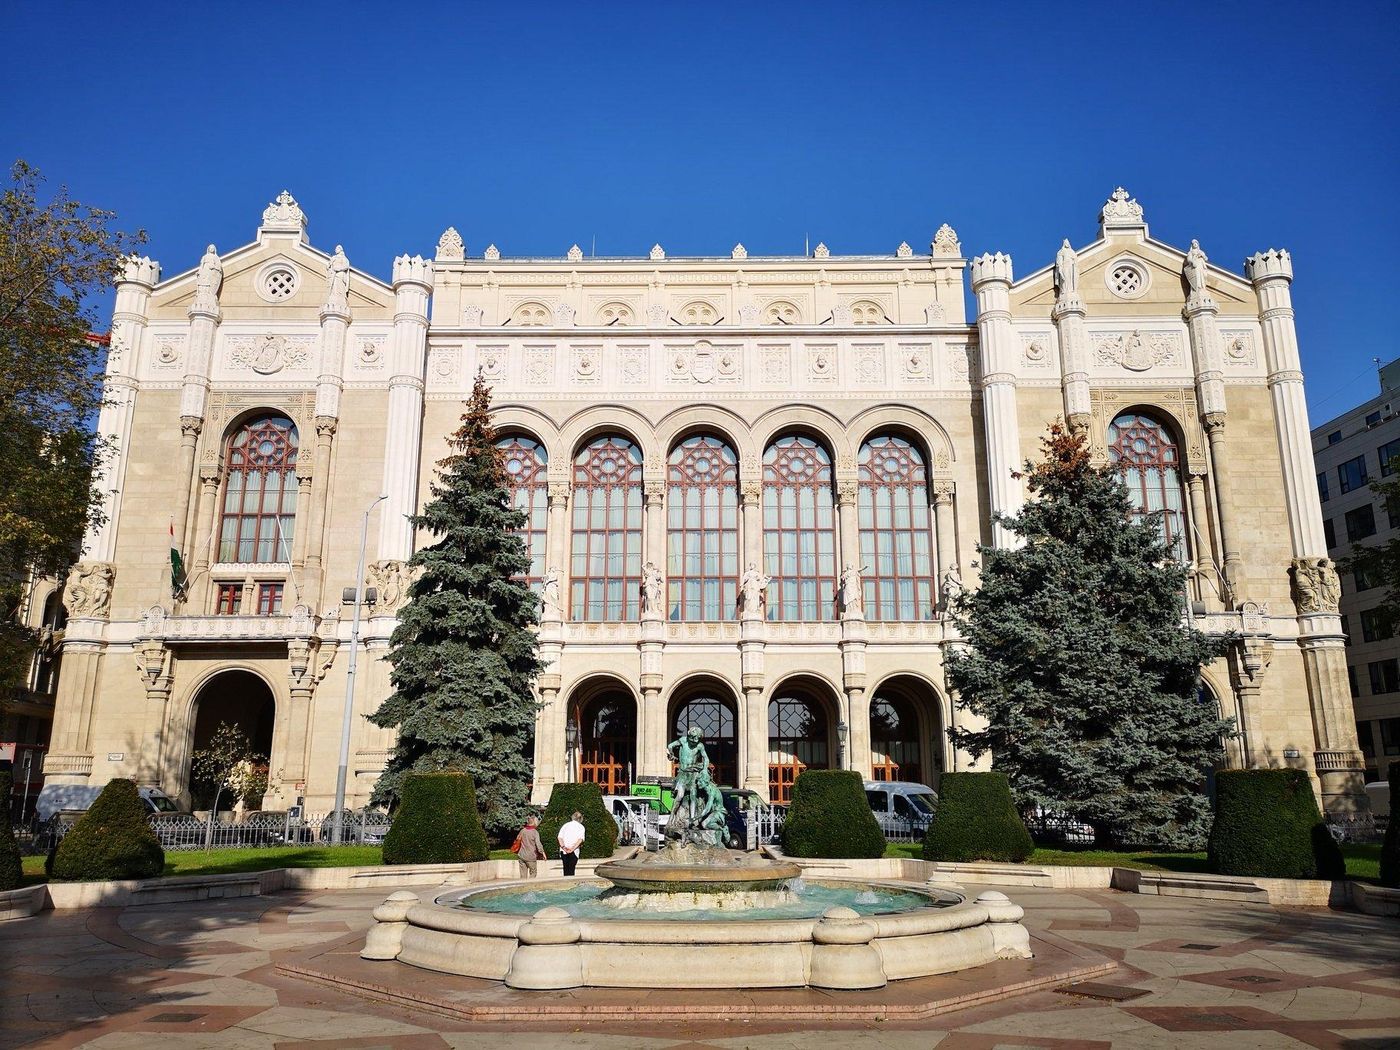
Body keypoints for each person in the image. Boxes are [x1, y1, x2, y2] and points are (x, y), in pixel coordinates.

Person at [557, 810, 585, 876]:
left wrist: (564, 847)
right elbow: (580, 840)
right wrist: (572, 849)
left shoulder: (565, 825)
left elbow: (559, 837)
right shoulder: (581, 827)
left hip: (564, 850)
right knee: (571, 870)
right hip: (574, 851)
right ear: (580, 819)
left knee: (565, 869)